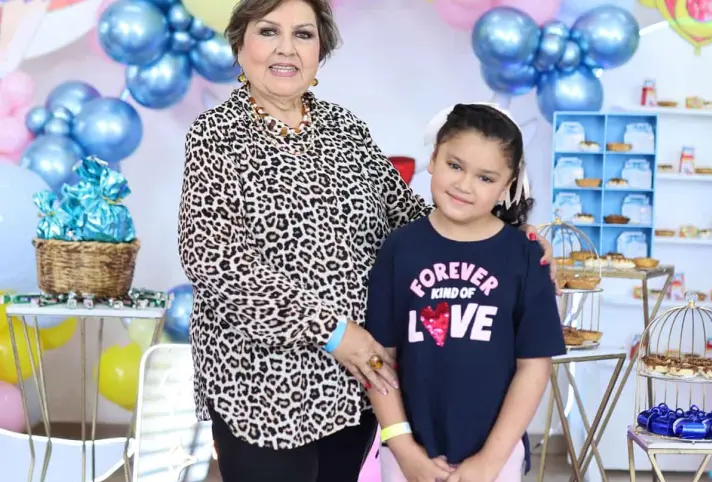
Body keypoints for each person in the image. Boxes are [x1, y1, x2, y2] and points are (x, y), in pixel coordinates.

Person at [177, 0, 555, 479]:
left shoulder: (345, 129)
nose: (286, 48)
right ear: (240, 44)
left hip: (353, 386)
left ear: (320, 50)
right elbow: (213, 260)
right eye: (269, 31)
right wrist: (334, 332)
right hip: (261, 387)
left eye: (303, 34)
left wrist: (505, 237)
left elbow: (412, 217)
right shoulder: (215, 135)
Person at [365, 103, 567, 482]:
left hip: (496, 458)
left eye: (485, 178)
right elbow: (378, 359)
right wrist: (404, 447)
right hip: (406, 456)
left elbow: (534, 367)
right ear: (433, 159)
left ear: (506, 186)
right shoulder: (399, 249)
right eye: (455, 166)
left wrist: (489, 461)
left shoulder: (526, 257)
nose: (464, 185)